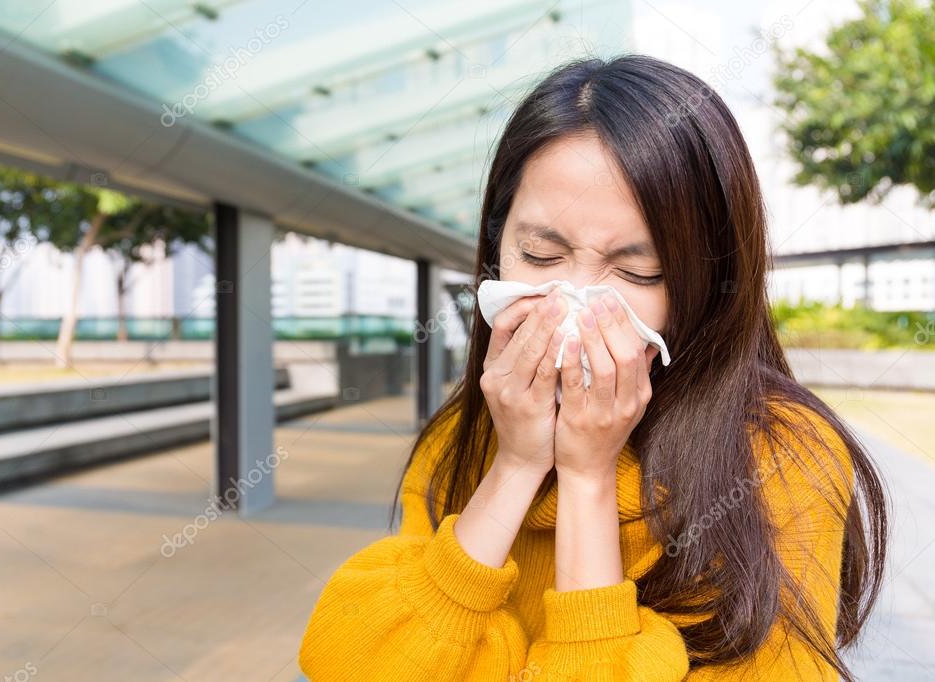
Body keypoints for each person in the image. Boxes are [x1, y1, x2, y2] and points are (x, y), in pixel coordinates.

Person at [298, 54, 888, 681]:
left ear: (708, 281)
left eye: (638, 271)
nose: (573, 297)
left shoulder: (780, 454)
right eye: (540, 253)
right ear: (496, 247)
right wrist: (516, 465)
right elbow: (361, 662)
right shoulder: (457, 441)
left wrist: (587, 479)